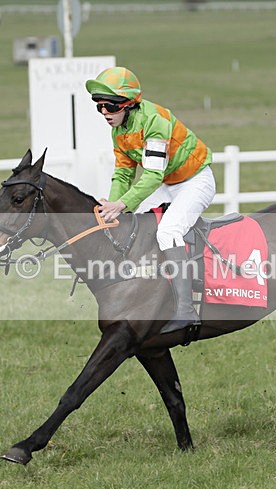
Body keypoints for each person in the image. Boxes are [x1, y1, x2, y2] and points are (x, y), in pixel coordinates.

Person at [86, 66, 216, 335]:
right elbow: (124, 173)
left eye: (110, 106)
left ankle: (186, 310)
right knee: (133, 225)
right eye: (99, 107)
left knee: (168, 231)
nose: (105, 113)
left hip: (195, 181)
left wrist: (121, 205)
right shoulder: (119, 130)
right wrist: (114, 207)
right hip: (168, 183)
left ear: (128, 104)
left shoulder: (154, 120)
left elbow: (153, 175)